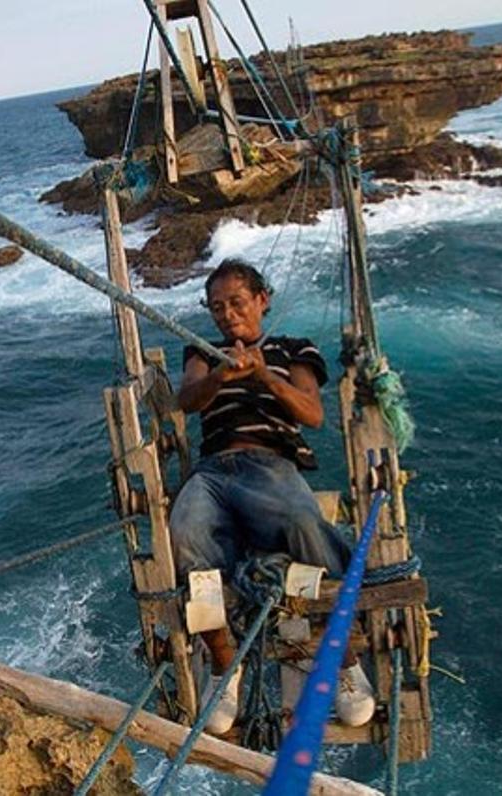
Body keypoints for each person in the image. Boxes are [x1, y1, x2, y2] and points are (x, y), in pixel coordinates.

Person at [171, 258, 375, 735]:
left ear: (263, 300)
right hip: (215, 470)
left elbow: (312, 413)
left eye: (237, 303)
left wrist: (263, 376)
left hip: (270, 465)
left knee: (305, 524)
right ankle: (224, 665)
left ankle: (343, 659)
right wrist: (222, 375)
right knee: (184, 531)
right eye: (217, 307)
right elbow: (187, 400)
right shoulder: (202, 352)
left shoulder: (293, 348)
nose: (227, 315)